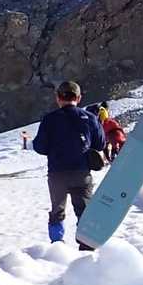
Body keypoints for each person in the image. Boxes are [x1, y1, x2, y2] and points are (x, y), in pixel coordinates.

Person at [32, 80, 105, 247]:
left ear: (58, 98)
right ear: (78, 98)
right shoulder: (90, 118)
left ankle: (57, 245)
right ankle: (86, 245)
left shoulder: (49, 119)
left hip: (57, 173)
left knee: (57, 210)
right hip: (82, 172)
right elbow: (100, 144)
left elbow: (39, 146)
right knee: (84, 211)